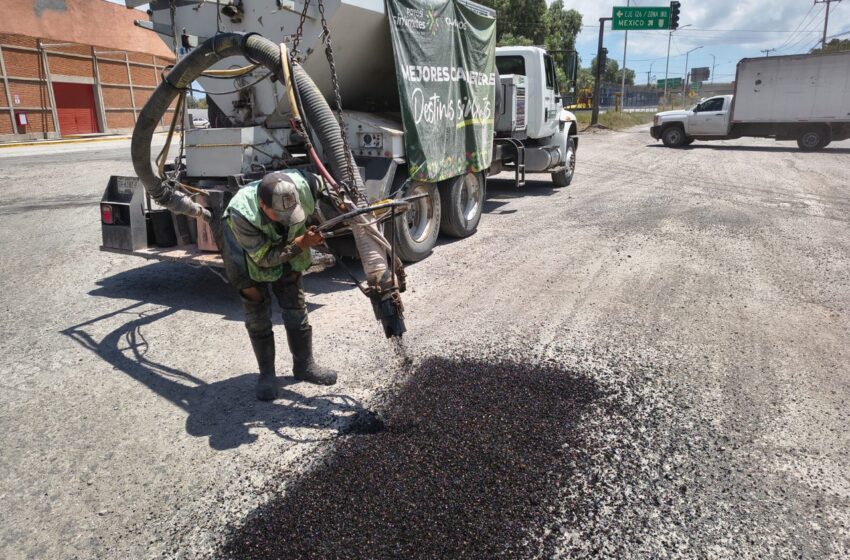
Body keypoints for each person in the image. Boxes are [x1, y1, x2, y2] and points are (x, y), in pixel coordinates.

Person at [220, 170, 337, 401]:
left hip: (286, 245)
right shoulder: (241, 214)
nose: (287, 219)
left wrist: (340, 204)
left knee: (294, 300)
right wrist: (302, 242)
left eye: (291, 214)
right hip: (245, 252)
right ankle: (266, 375)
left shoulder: (303, 185)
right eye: (280, 215)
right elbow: (264, 258)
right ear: (263, 206)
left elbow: (327, 185)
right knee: (256, 307)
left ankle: (304, 365)